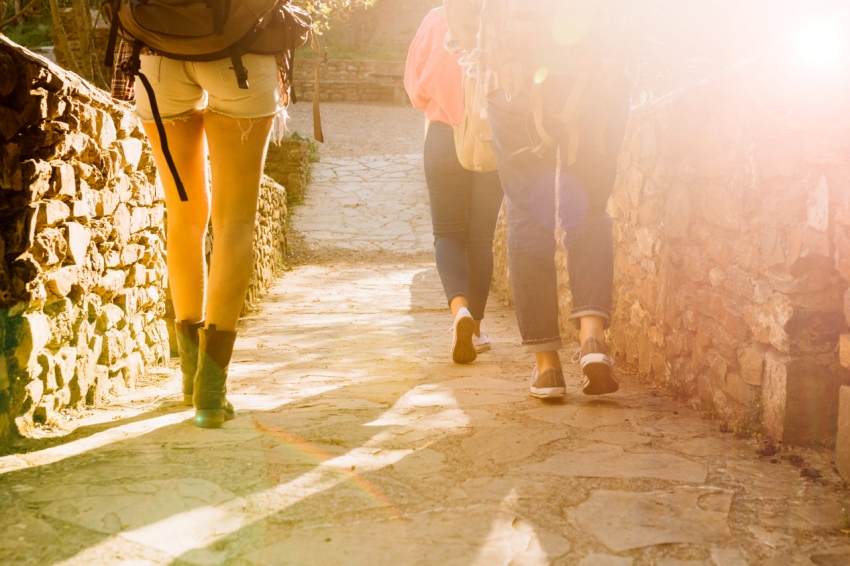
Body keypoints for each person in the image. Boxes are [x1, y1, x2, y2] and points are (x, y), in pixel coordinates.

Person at [443, 0, 632, 397]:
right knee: (590, 209)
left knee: (528, 214)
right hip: (597, 76)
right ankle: (593, 341)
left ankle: (547, 367)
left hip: (515, 82)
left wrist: (464, 38)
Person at [112, 41, 283, 427]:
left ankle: (191, 377)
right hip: (240, 56)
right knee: (234, 222)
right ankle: (210, 392)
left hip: (158, 58)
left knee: (184, 217)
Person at [405, 5, 505, 364]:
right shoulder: (497, 18)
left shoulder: (435, 20)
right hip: (489, 138)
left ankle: (459, 312)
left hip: (443, 138)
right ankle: (475, 329)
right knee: (480, 238)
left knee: (447, 234)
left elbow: (415, 91)